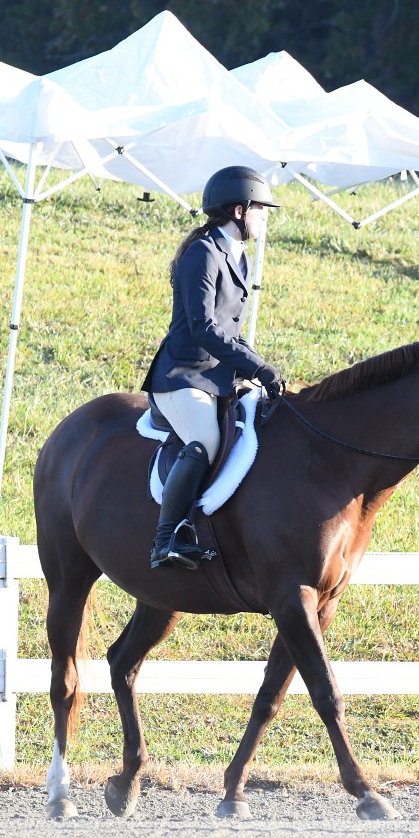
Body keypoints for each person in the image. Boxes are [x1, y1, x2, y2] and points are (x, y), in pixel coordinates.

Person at [139, 165, 288, 569]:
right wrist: (256, 367)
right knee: (205, 439)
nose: (265, 217)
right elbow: (204, 328)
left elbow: (230, 332)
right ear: (239, 211)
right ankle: (166, 538)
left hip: (215, 377)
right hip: (182, 376)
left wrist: (261, 368)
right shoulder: (203, 254)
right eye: (261, 209)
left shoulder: (238, 258)